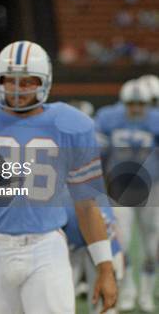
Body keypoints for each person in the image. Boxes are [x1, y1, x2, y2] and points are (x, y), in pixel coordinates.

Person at [0, 40, 117, 313]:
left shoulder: (71, 124)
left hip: (46, 246)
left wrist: (105, 267)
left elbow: (87, 206)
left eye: (28, 81)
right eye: (10, 80)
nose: (18, 89)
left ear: (45, 81)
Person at [95, 79, 159, 313]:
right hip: (120, 188)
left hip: (152, 188)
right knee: (120, 243)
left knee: (152, 245)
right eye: (131, 103)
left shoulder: (155, 119)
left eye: (140, 103)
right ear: (123, 103)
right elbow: (98, 154)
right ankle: (129, 291)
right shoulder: (109, 118)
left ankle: (146, 294)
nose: (136, 108)